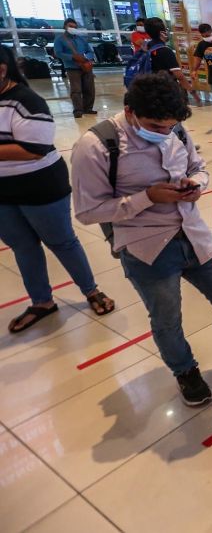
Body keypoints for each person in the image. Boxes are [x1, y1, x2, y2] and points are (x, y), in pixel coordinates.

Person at [71, 73, 212, 406]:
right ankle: (186, 372)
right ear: (129, 110)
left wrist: (196, 184)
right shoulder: (96, 145)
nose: (164, 134)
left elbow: (198, 166)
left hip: (195, 236)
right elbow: (88, 212)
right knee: (167, 319)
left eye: (170, 127)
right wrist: (147, 197)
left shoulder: (175, 129)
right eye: (155, 126)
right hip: (147, 249)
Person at [0, 45, 116, 333]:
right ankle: (42, 302)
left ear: (3, 69)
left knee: (62, 241)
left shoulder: (26, 101)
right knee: (23, 247)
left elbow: (35, 149)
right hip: (3, 192)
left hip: (40, 186)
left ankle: (91, 290)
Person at [143, 17, 199, 106]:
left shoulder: (147, 48)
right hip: (166, 92)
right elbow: (179, 76)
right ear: (162, 33)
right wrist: (192, 91)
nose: (167, 31)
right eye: (166, 29)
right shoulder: (165, 51)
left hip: (151, 91)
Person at [54, 18, 97, 119]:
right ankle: (78, 110)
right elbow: (58, 53)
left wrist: (86, 58)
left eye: (74, 27)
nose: (73, 28)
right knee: (76, 90)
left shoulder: (81, 39)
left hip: (86, 67)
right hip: (72, 67)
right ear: (65, 27)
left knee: (89, 88)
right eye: (70, 26)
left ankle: (88, 108)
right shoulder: (60, 40)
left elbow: (90, 52)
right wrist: (72, 57)